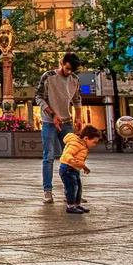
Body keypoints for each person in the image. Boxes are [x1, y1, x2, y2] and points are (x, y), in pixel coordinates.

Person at [36, 52, 82, 204]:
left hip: (67, 122)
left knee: (71, 157)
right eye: (67, 68)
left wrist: (79, 118)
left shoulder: (75, 80)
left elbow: (77, 100)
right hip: (49, 122)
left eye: (71, 70)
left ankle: (71, 191)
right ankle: (47, 191)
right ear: (62, 63)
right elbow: (39, 97)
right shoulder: (48, 76)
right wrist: (53, 114)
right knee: (48, 157)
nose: (68, 72)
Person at [60, 125, 101, 214]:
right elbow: (67, 154)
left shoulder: (83, 146)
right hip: (67, 168)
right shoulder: (75, 144)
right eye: (94, 142)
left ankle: (77, 204)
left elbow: (80, 160)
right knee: (72, 188)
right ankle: (70, 206)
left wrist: (85, 167)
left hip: (74, 169)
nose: (94, 145)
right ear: (86, 138)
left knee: (78, 188)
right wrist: (71, 160)